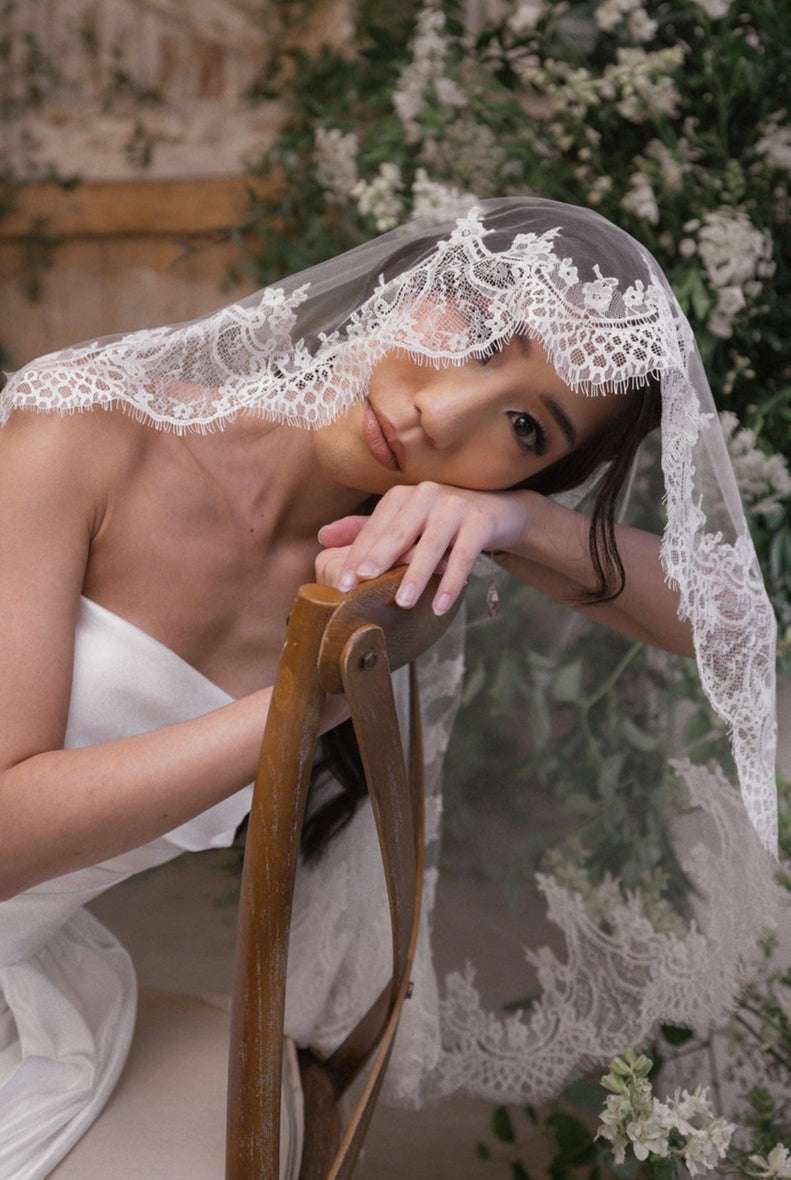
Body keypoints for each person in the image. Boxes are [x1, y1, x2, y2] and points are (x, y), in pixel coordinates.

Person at [0, 198, 778, 1178]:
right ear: (416, 274)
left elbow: (740, 626)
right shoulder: (91, 426)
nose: (441, 415)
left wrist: (517, 526)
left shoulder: (397, 557)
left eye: (527, 427)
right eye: (483, 334)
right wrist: (305, 701)